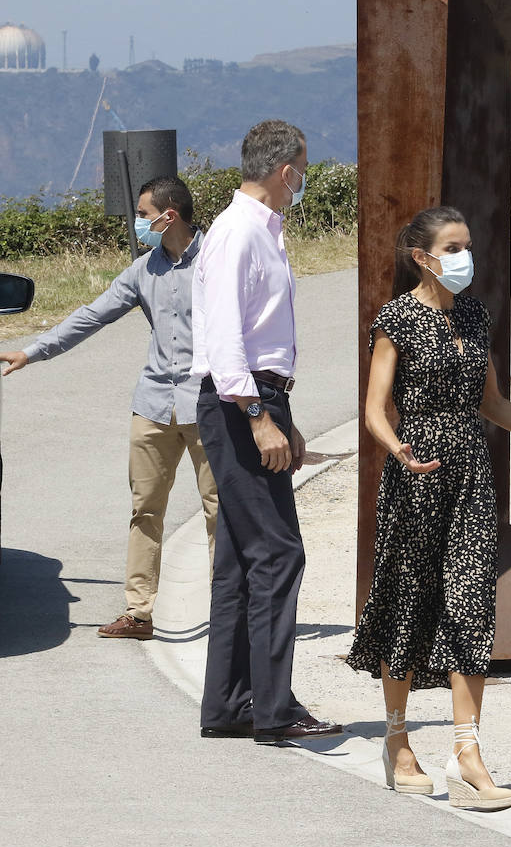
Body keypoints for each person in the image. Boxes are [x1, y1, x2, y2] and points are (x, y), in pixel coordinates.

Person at [347, 206, 511, 808]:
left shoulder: (475, 314)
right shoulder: (397, 319)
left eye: (469, 244)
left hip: (470, 473)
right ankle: (396, 738)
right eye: (454, 246)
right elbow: (373, 409)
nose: (466, 256)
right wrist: (398, 449)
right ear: (423, 256)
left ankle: (467, 753)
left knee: (470, 602)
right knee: (410, 599)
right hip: (416, 474)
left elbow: (494, 403)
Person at [0, 176, 217, 641]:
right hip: (154, 405)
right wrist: (32, 351)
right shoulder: (143, 269)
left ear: (168, 216)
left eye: (142, 214)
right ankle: (139, 614)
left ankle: (229, 613)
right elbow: (92, 314)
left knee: (220, 512)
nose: (138, 223)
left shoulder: (217, 263)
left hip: (209, 407)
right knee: (145, 511)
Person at [192, 119, 343, 744]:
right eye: (301, 172)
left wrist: (282, 418)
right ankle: (271, 710)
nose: (301, 183)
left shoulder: (260, 230)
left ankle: (231, 703)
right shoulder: (238, 233)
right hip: (239, 403)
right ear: (286, 172)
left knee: (238, 561)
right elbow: (225, 337)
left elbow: (258, 337)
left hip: (256, 399)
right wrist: (257, 417)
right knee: (279, 554)